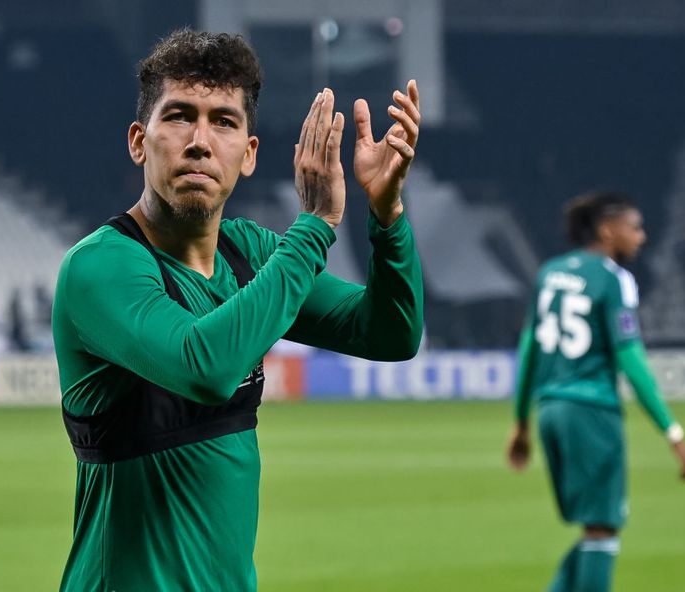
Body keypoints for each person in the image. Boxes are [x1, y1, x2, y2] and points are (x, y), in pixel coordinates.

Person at [52, 29, 423, 591]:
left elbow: (390, 334)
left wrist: (387, 213)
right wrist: (316, 226)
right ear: (138, 141)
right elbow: (204, 367)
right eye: (179, 116)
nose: (200, 141)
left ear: (248, 154)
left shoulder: (248, 253)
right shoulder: (101, 268)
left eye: (223, 121)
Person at [506, 190, 685, 592]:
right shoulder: (615, 280)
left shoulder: (550, 273)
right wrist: (673, 432)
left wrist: (522, 421)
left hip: (551, 411)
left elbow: (530, 349)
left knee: (594, 530)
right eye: (635, 227)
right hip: (592, 412)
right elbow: (631, 359)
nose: (641, 237)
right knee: (603, 530)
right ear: (609, 231)